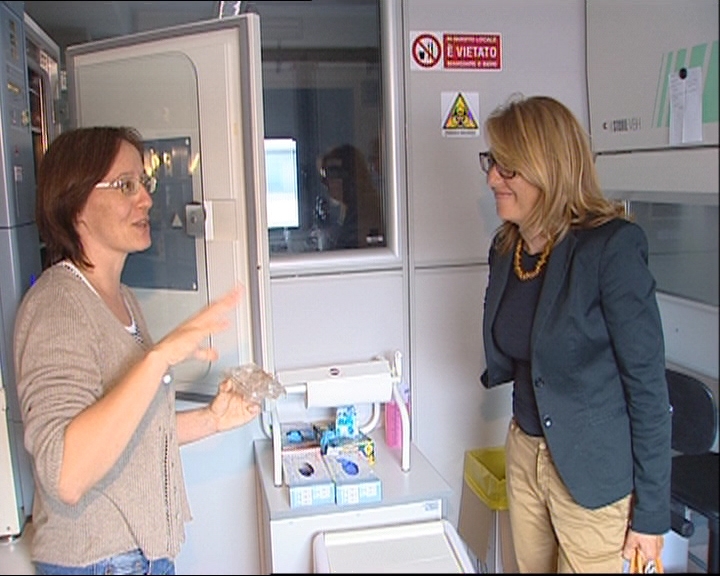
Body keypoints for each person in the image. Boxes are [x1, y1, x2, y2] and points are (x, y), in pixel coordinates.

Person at [13, 126, 261, 575]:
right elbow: (66, 474)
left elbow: (128, 430)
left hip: (136, 557)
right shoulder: (56, 307)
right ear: (76, 205)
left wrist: (213, 421)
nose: (145, 199)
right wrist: (159, 357)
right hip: (100, 562)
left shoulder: (121, 299)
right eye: (125, 185)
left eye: (143, 184)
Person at [479, 95, 671, 573]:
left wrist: (650, 515)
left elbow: (647, 388)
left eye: (507, 168)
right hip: (525, 453)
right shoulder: (507, 248)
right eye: (492, 163)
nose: (491, 179)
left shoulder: (612, 249)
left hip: (593, 473)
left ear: (546, 169)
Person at [314, 143, 384, 250]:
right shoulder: (349, 210)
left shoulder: (364, 214)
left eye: (332, 174)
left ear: (350, 177)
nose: (326, 182)